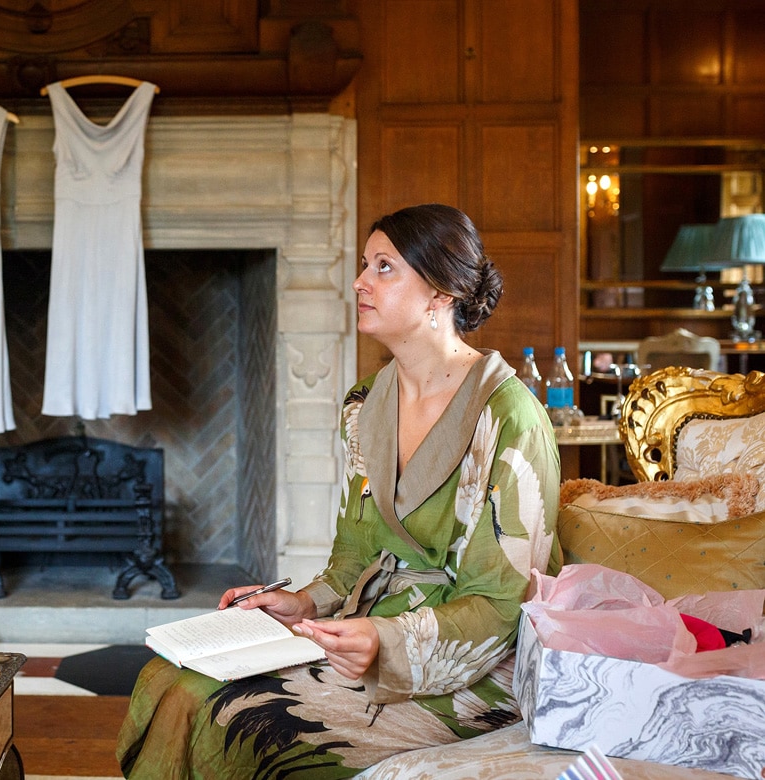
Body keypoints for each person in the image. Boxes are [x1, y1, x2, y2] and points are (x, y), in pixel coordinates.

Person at [116, 203, 562, 778]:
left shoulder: (507, 416)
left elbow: (503, 606)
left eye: (383, 267)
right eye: (364, 264)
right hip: (363, 629)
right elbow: (354, 554)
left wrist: (384, 640)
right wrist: (301, 603)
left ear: (441, 294)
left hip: (464, 663)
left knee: (240, 722)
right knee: (166, 682)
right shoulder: (364, 404)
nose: (359, 282)